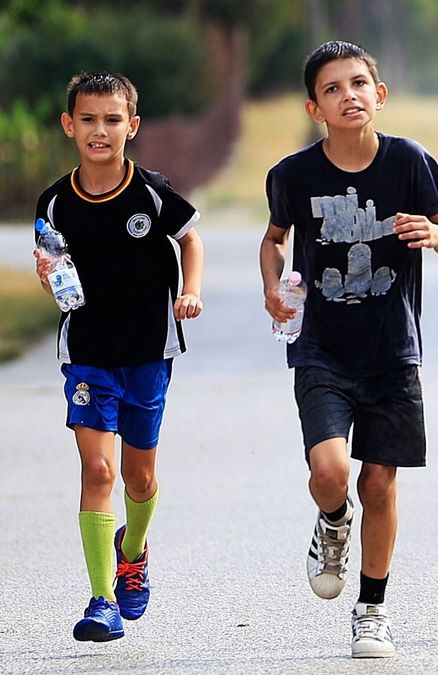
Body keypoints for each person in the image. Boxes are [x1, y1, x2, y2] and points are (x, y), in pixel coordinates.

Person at [259, 40, 438, 659]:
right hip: (320, 346)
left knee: (380, 483)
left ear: (380, 94)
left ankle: (371, 610)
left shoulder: (409, 162)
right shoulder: (293, 175)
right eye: (332, 88)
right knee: (331, 472)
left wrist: (436, 234)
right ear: (314, 107)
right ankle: (332, 523)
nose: (348, 95)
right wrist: (272, 285)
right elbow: (274, 239)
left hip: (393, 349)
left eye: (358, 83)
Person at [32, 72, 205, 642]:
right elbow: (57, 274)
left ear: (131, 126)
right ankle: (102, 598)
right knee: (98, 469)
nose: (99, 131)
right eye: (87, 120)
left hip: (148, 352)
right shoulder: (54, 202)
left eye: (111, 120)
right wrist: (48, 276)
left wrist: (190, 291)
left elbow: (190, 236)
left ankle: (133, 549)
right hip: (86, 353)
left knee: (139, 474)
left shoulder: (150, 190)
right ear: (68, 126)